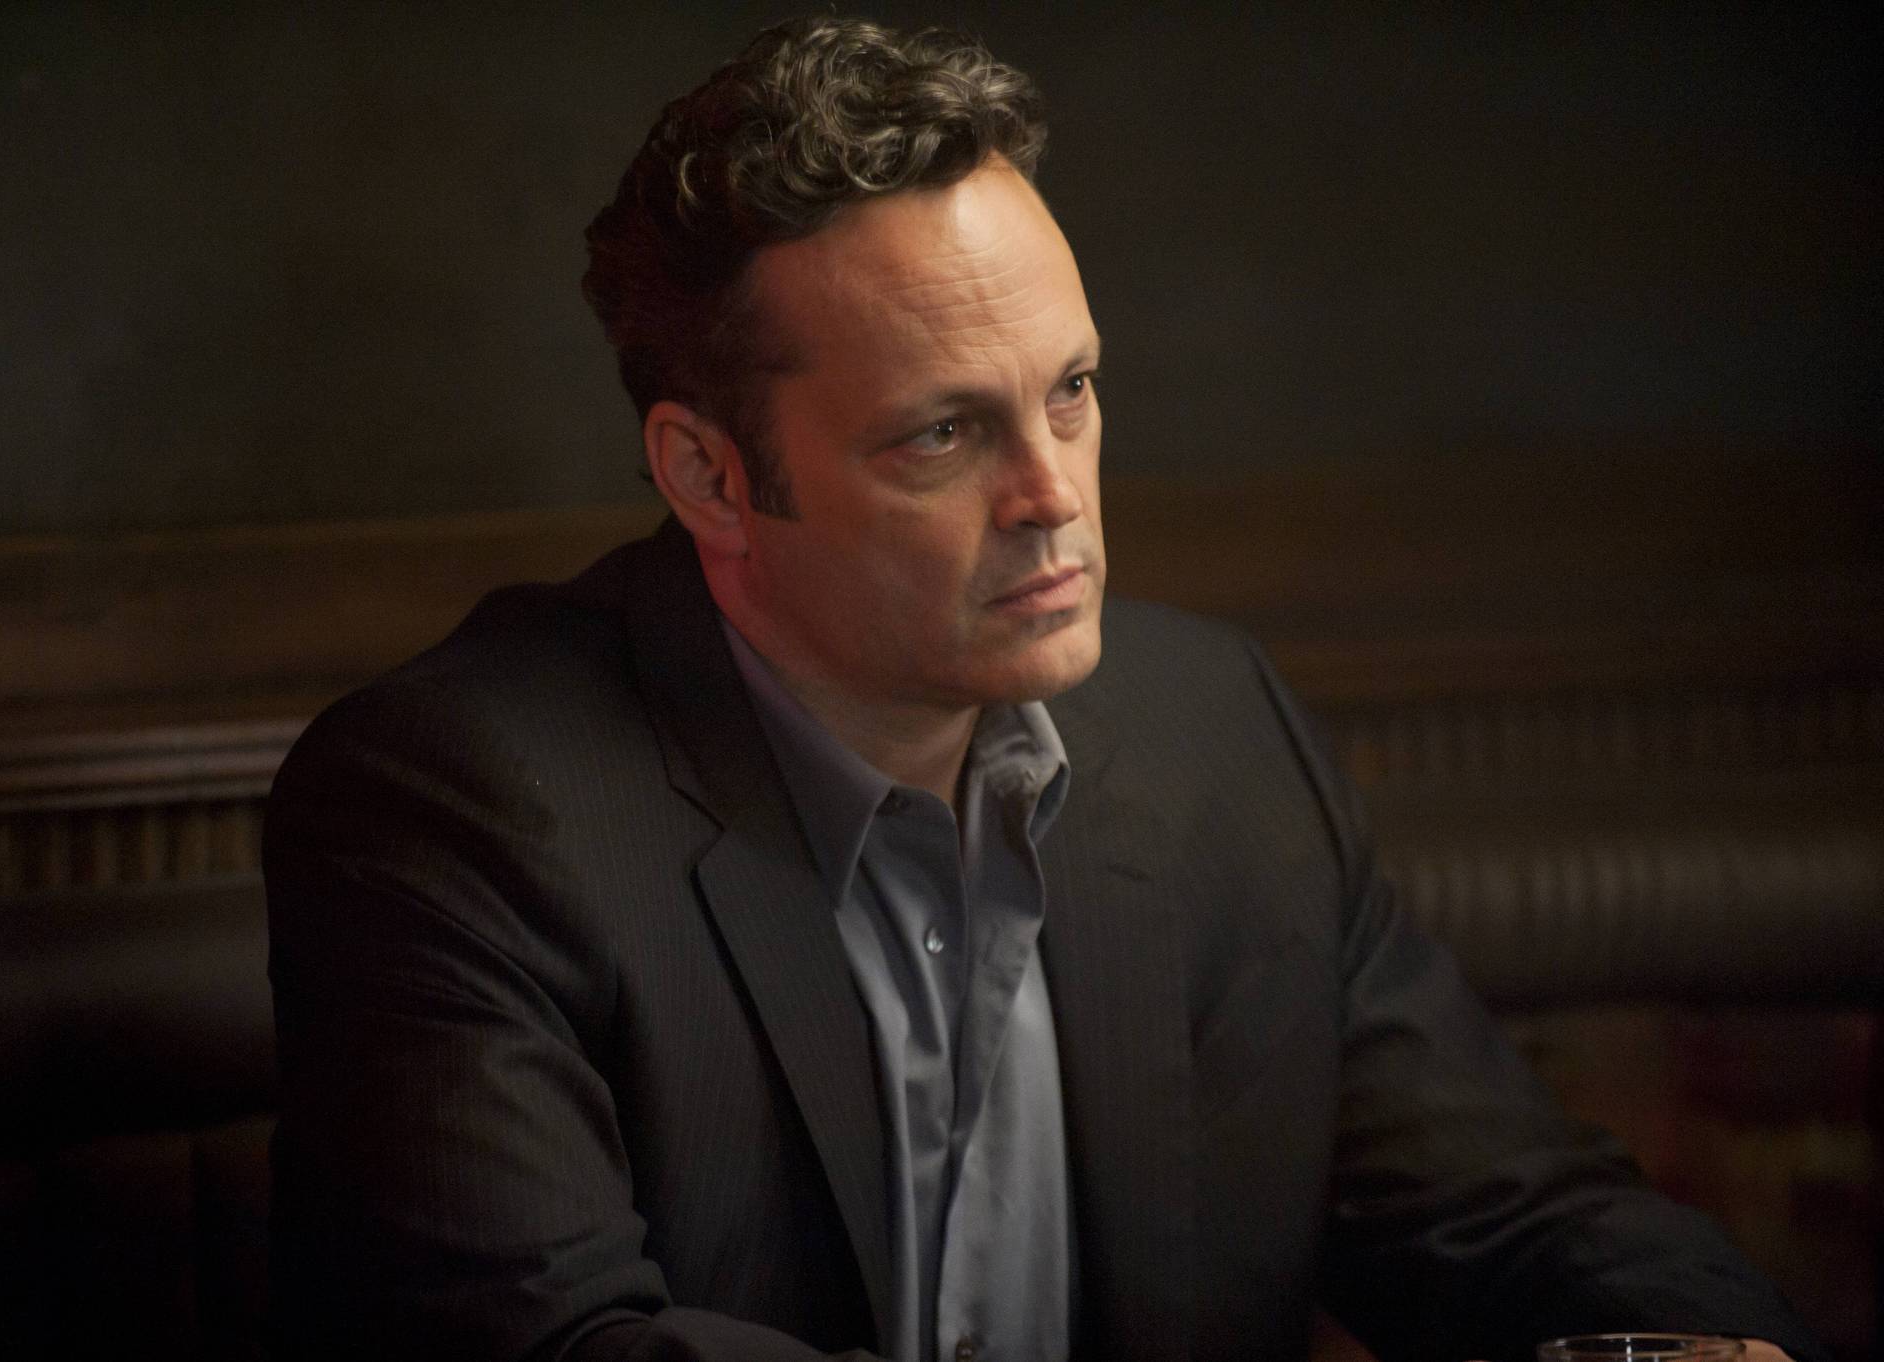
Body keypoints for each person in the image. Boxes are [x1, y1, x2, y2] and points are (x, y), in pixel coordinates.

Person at [263, 17, 1822, 1362]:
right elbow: (560, 1344)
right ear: (711, 476)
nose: (1054, 496)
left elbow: (1511, 1211)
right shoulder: (460, 805)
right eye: (943, 434)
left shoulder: (1213, 733)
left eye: (1070, 390)